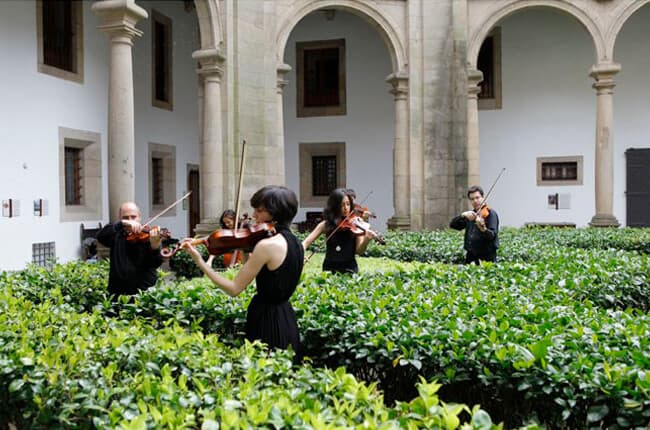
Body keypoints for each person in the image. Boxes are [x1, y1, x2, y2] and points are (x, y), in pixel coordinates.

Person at [179, 186, 304, 352]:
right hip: (287, 317)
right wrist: (246, 248)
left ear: (275, 214)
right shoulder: (296, 243)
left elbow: (234, 289)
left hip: (265, 319)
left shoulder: (266, 246)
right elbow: (266, 275)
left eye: (259, 210)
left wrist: (200, 262)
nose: (254, 215)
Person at [96, 202, 163, 297]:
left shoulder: (150, 236)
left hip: (143, 292)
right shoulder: (116, 234)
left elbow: (155, 263)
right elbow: (100, 236)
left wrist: (154, 247)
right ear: (120, 219)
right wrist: (122, 224)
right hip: (117, 293)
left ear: (139, 217)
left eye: (133, 217)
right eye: (125, 218)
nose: (130, 221)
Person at [302, 188, 376, 274]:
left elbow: (359, 251)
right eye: (341, 205)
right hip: (329, 268)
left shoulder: (356, 224)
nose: (346, 208)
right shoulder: (326, 224)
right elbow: (306, 242)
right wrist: (301, 254)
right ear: (334, 207)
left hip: (350, 269)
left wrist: (366, 239)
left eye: (348, 204)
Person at [449, 185, 499, 265]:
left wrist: (483, 229)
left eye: (477, 198)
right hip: (471, 256)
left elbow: (492, 236)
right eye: (472, 199)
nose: (475, 201)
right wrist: (463, 215)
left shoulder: (491, 214)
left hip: (486, 258)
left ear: (483, 197)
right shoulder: (471, 215)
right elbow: (453, 225)